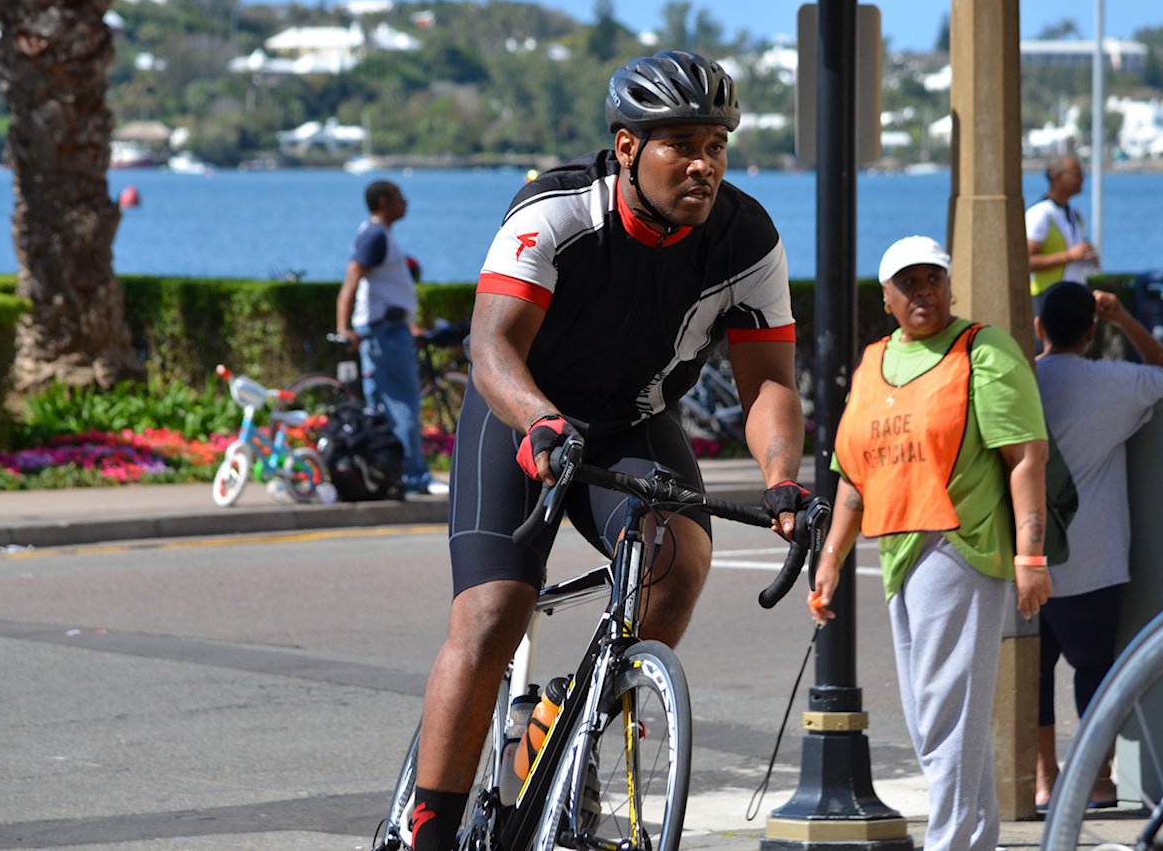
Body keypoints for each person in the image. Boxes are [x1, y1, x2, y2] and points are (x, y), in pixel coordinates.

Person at [409, 51, 808, 851]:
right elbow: (491, 351)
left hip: (631, 418)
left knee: (680, 560)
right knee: (493, 615)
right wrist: (539, 422)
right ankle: (430, 829)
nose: (705, 164)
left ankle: (568, 719)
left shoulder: (747, 237)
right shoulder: (554, 213)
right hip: (524, 412)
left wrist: (780, 479)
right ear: (626, 146)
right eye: (683, 144)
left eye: (717, 145)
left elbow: (768, 383)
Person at [808, 235, 1051, 851]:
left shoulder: (983, 349)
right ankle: (974, 839)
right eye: (908, 283)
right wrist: (831, 559)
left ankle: (948, 842)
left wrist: (1030, 555)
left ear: (949, 285)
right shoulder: (871, 363)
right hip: (898, 551)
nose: (923, 292)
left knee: (944, 714)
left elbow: (1025, 456)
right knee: (938, 716)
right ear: (886, 297)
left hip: (960, 546)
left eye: (933, 279)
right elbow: (853, 477)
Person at [1031, 282, 1163, 810]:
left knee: (1035, 671)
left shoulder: (1021, 380)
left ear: (1038, 328)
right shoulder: (1113, 383)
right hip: (1093, 558)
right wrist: (1126, 320)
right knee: (1094, 670)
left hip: (1027, 556)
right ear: (1093, 332)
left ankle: (1044, 779)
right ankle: (1095, 780)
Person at [335, 180, 442, 496]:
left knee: (383, 404)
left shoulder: (379, 235)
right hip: (386, 332)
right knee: (403, 403)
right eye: (399, 197)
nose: (405, 202)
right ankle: (414, 477)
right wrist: (344, 326)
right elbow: (352, 278)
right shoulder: (375, 235)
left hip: (387, 329)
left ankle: (389, 474)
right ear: (383, 201)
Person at [1026, 154, 1099, 305]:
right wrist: (1069, 256)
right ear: (1057, 177)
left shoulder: (1074, 213)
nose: (1082, 179)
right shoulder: (1040, 214)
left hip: (1072, 295)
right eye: (1077, 174)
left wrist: (1088, 255)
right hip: (1047, 297)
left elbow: (1076, 252)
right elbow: (1026, 261)